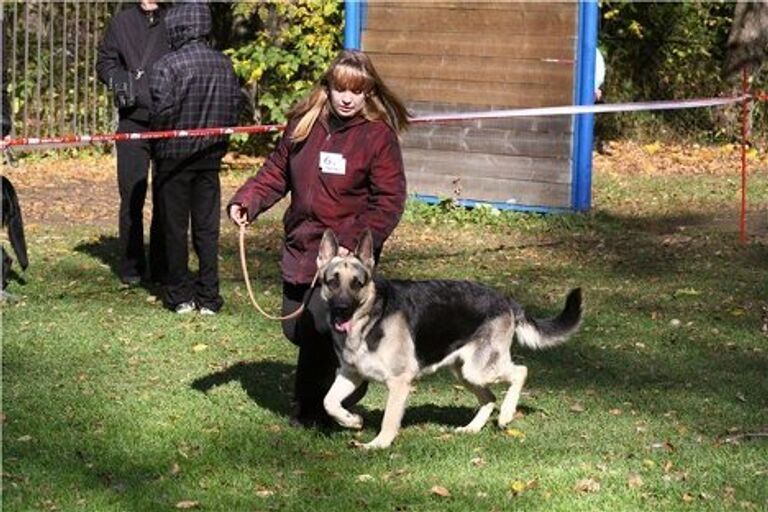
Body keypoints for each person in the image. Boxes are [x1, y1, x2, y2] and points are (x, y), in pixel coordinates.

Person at [228, 49, 410, 428]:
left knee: (318, 328)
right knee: (295, 328)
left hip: (343, 256)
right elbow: (276, 171)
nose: (347, 98)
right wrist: (248, 200)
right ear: (327, 87)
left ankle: (310, 413)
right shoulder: (304, 122)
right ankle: (351, 381)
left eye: (356, 91)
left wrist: (356, 244)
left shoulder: (377, 136)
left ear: (368, 93)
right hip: (302, 244)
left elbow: (389, 200)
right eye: (340, 88)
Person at [148, 1, 242, 315]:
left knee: (175, 230)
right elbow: (233, 109)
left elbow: (162, 114)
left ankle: (180, 296)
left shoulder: (166, 65)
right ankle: (209, 297)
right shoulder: (224, 64)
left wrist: (161, 142)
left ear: (176, 27)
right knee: (207, 229)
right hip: (210, 159)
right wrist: (218, 143)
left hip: (173, 159)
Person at [96, 0, 170, 286]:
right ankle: (131, 267)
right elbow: (105, 62)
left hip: (167, 119)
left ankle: (163, 266)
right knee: (131, 197)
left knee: (166, 196)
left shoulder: (175, 19)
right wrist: (119, 80)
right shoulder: (122, 22)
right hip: (131, 120)